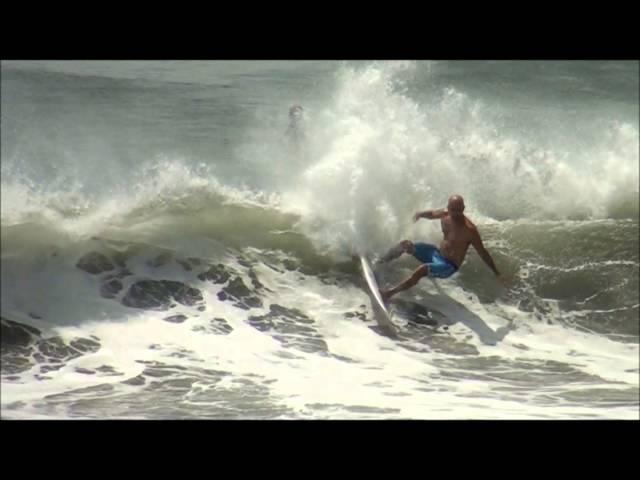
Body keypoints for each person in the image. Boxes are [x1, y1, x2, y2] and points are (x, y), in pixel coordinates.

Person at [378, 194, 506, 302]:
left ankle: (389, 293)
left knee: (423, 269)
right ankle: (379, 263)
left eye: (459, 210)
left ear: (463, 208)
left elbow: (482, 252)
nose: (456, 213)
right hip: (436, 254)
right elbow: (432, 213)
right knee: (405, 245)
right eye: (453, 209)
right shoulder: (445, 215)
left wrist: (497, 273)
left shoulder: (470, 230)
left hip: (448, 266)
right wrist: (419, 214)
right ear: (448, 208)